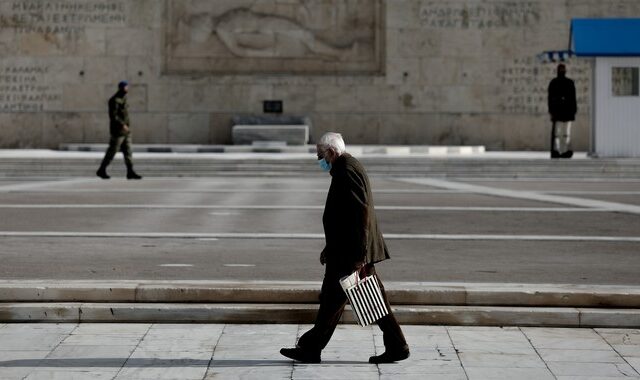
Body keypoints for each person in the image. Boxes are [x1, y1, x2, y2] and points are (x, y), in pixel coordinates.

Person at [280, 132, 409, 364]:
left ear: (331, 152)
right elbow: (344, 216)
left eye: (320, 155)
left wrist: (359, 258)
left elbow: (361, 214)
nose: (319, 160)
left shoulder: (346, 169)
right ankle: (396, 345)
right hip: (345, 251)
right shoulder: (346, 166)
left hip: (350, 254)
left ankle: (312, 348)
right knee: (349, 300)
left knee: (342, 300)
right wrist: (330, 247)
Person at [96, 81, 142, 180]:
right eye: (126, 87)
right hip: (118, 131)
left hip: (126, 131)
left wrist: (127, 127)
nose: (127, 89)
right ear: (122, 88)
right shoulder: (114, 100)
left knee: (128, 152)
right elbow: (113, 116)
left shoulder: (123, 99)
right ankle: (101, 169)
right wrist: (122, 125)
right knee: (112, 151)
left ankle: (130, 172)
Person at [547, 64, 577, 159]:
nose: (562, 71)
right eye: (561, 70)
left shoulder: (569, 83)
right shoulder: (554, 83)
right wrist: (552, 111)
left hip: (566, 113)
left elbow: (573, 99)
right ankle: (557, 150)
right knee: (558, 134)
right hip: (558, 113)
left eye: (563, 70)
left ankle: (564, 150)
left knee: (565, 134)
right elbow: (550, 99)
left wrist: (573, 111)